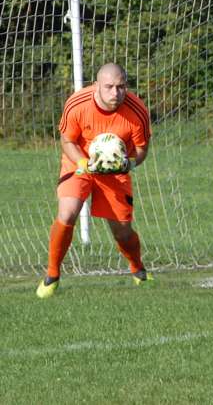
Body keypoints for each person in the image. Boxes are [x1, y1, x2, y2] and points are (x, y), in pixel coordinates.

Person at [36, 63, 152, 298]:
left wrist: (128, 163)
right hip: (80, 162)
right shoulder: (78, 103)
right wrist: (83, 164)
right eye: (109, 87)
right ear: (96, 85)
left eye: (121, 87)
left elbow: (142, 149)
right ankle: (52, 275)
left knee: (122, 231)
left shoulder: (137, 110)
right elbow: (67, 141)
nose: (115, 93)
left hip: (115, 172)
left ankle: (138, 270)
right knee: (67, 212)